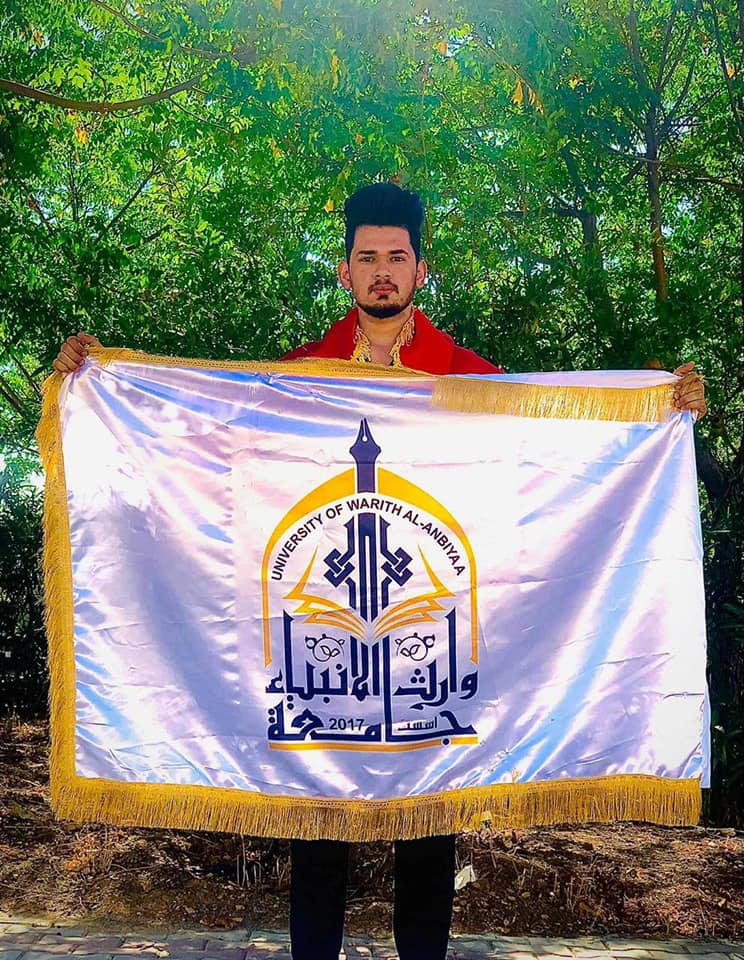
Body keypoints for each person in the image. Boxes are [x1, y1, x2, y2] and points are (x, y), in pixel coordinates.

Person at [53, 182, 707, 960]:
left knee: (429, 847)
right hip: (325, 650)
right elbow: (203, 446)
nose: (383, 271)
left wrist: (659, 409)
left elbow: (547, 464)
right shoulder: (295, 381)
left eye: (397, 256)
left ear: (421, 270)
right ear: (345, 272)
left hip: (426, 650)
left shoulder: (473, 382)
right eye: (367, 257)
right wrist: (94, 385)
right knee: (316, 847)